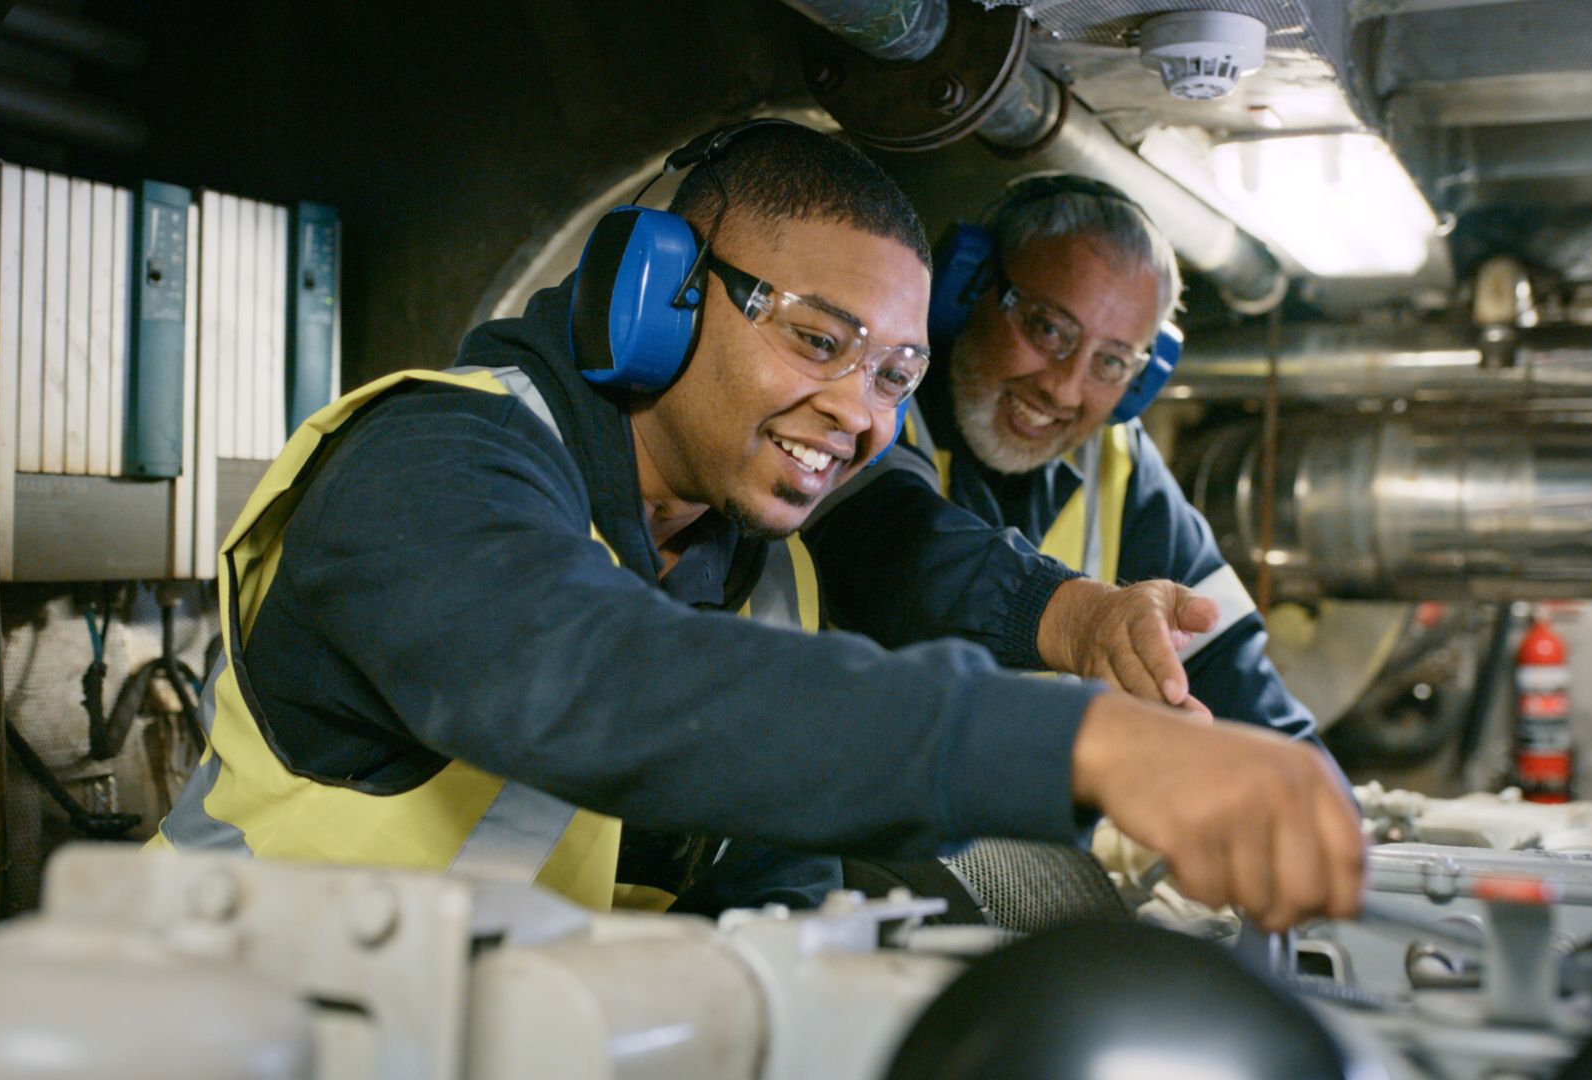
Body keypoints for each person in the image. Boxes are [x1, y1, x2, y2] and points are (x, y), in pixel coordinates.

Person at [150, 122, 1360, 932]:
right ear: (658, 296)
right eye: (817, 340)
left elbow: (772, 884)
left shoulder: (763, 565)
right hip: (220, 1032)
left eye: (895, 372)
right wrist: (1087, 744)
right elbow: (602, 683)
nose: (860, 413)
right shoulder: (432, 467)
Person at [803, 174, 1315, 741]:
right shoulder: (873, 403)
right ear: (967, 286)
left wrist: (1312, 789)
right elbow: (893, 557)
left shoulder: (1119, 461)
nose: (1065, 390)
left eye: (1112, 362)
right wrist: (1080, 618)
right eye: (1048, 329)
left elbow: (1236, 679)